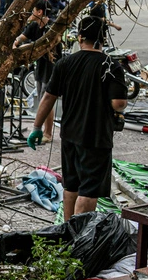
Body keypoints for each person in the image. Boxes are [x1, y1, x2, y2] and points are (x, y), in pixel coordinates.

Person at [28, 16, 127, 220]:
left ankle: (67, 232)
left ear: (80, 37)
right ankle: (80, 238)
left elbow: (48, 96)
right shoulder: (111, 65)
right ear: (103, 38)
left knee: (71, 185)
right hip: (97, 137)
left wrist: (37, 127)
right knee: (89, 189)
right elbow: (118, 103)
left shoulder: (65, 63)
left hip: (70, 134)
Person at [14, 0, 56, 135]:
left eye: (33, 10)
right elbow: (20, 39)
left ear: (40, 12)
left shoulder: (51, 28)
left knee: (46, 99)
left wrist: (24, 48)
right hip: (40, 67)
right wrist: (15, 45)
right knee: (41, 98)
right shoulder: (33, 26)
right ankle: (43, 130)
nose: (31, 13)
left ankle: (48, 133)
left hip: (51, 67)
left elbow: (41, 46)